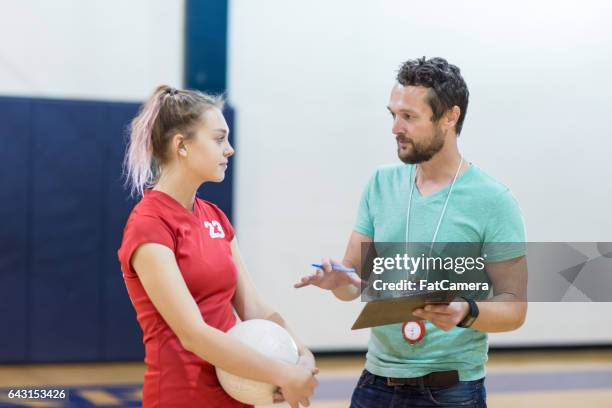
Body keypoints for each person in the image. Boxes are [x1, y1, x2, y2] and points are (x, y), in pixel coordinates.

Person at [295, 57, 527, 407]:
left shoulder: (494, 201)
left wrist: (466, 312)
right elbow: (353, 283)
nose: (395, 128)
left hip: (452, 391)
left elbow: (514, 310)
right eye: (393, 115)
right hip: (376, 384)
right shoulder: (380, 184)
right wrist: (338, 282)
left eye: (409, 117)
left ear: (450, 116)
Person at [118, 85, 318, 408]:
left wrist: (302, 355)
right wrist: (282, 374)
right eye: (219, 138)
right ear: (181, 145)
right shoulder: (149, 224)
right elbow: (193, 333)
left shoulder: (216, 217)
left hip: (236, 394)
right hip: (181, 397)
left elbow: (253, 307)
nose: (230, 150)